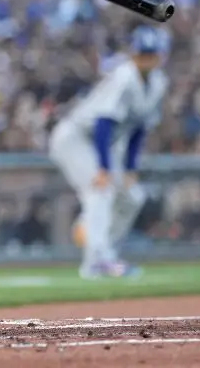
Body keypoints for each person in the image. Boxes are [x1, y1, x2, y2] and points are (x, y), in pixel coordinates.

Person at [48, 25, 168, 279]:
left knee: (132, 196)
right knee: (100, 188)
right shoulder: (124, 77)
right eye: (141, 54)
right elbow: (103, 123)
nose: (145, 60)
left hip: (102, 144)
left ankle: (103, 249)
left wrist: (130, 169)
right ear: (133, 55)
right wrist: (104, 168)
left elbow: (139, 129)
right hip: (75, 137)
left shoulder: (158, 82)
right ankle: (96, 261)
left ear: (158, 56)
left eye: (150, 54)